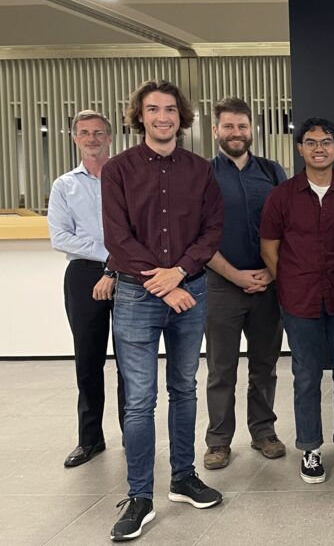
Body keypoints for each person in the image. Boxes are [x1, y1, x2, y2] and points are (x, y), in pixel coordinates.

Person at [103, 80, 224, 541]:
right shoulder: (118, 170)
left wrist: (181, 272)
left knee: (184, 390)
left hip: (189, 293)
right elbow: (118, 238)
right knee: (138, 400)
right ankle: (139, 496)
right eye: (152, 109)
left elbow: (213, 229)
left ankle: (183, 477)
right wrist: (162, 280)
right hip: (138, 296)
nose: (162, 117)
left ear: (181, 116)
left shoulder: (200, 170)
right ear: (140, 115)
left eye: (170, 110)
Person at [260, 117, 334, 485]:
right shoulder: (282, 196)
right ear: (300, 148)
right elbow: (269, 247)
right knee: (306, 375)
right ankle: (310, 448)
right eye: (311, 142)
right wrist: (290, 282)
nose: (319, 148)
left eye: (326, 141)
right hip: (299, 301)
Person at [202, 97, 287, 471]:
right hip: (220, 285)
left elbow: (290, 227)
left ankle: (263, 431)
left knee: (265, 364)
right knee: (221, 368)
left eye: (242, 126)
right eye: (228, 126)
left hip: (268, 285)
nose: (236, 133)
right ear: (215, 130)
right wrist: (234, 275)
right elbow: (196, 237)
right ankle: (218, 440)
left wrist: (272, 271)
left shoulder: (272, 172)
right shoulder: (202, 174)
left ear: (251, 129)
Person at [47, 109, 125, 468]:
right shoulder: (64, 185)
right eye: (84, 132)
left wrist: (118, 261)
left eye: (98, 132)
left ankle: (133, 435)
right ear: (75, 138)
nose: (92, 138)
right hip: (83, 276)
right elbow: (60, 237)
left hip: (128, 275)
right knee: (88, 359)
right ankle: (90, 439)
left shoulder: (125, 178)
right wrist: (110, 254)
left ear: (109, 137)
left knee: (131, 360)